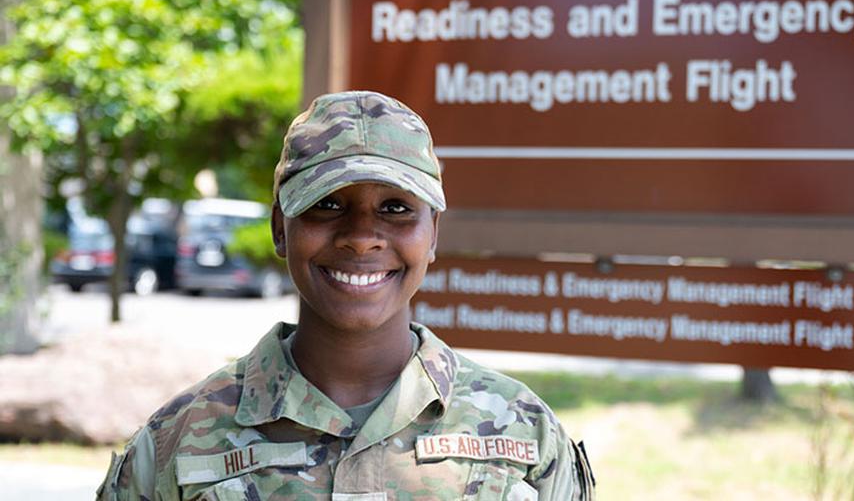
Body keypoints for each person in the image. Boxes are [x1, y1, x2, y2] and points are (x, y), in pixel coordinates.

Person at [97, 90, 595, 500]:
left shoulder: (523, 437)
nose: (362, 236)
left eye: (396, 208)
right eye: (327, 204)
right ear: (279, 229)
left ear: (433, 235)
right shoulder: (179, 444)